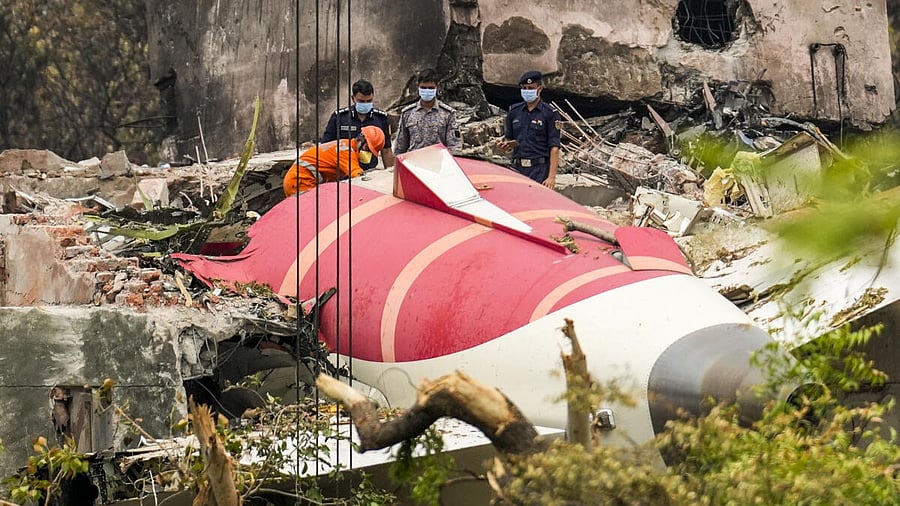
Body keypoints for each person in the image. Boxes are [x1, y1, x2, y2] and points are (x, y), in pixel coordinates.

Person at [496, 70, 561, 189]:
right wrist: (504, 146)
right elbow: (509, 140)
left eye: (531, 88)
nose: (527, 91)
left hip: (539, 170)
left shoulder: (549, 113)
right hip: (517, 169)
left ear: (540, 89)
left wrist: (551, 177)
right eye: (524, 88)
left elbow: (554, 147)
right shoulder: (514, 112)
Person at [283, 125, 385, 196]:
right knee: (308, 214)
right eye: (367, 148)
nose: (367, 153)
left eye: (371, 152)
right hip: (300, 181)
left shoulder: (347, 146)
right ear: (360, 139)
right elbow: (358, 175)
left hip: (301, 180)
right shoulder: (345, 150)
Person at [321, 79, 394, 169]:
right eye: (361, 101)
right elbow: (325, 147)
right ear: (353, 98)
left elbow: (386, 150)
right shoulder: (339, 117)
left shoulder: (381, 118)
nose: (365, 104)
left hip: (370, 171)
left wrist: (390, 172)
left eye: (369, 101)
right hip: (343, 169)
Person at [394, 68, 462, 155]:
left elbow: (454, 146)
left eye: (430, 88)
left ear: (437, 87)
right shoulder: (407, 113)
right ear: (418, 86)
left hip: (438, 161)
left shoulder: (448, 114)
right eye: (423, 88)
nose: (427, 91)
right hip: (414, 161)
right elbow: (400, 147)